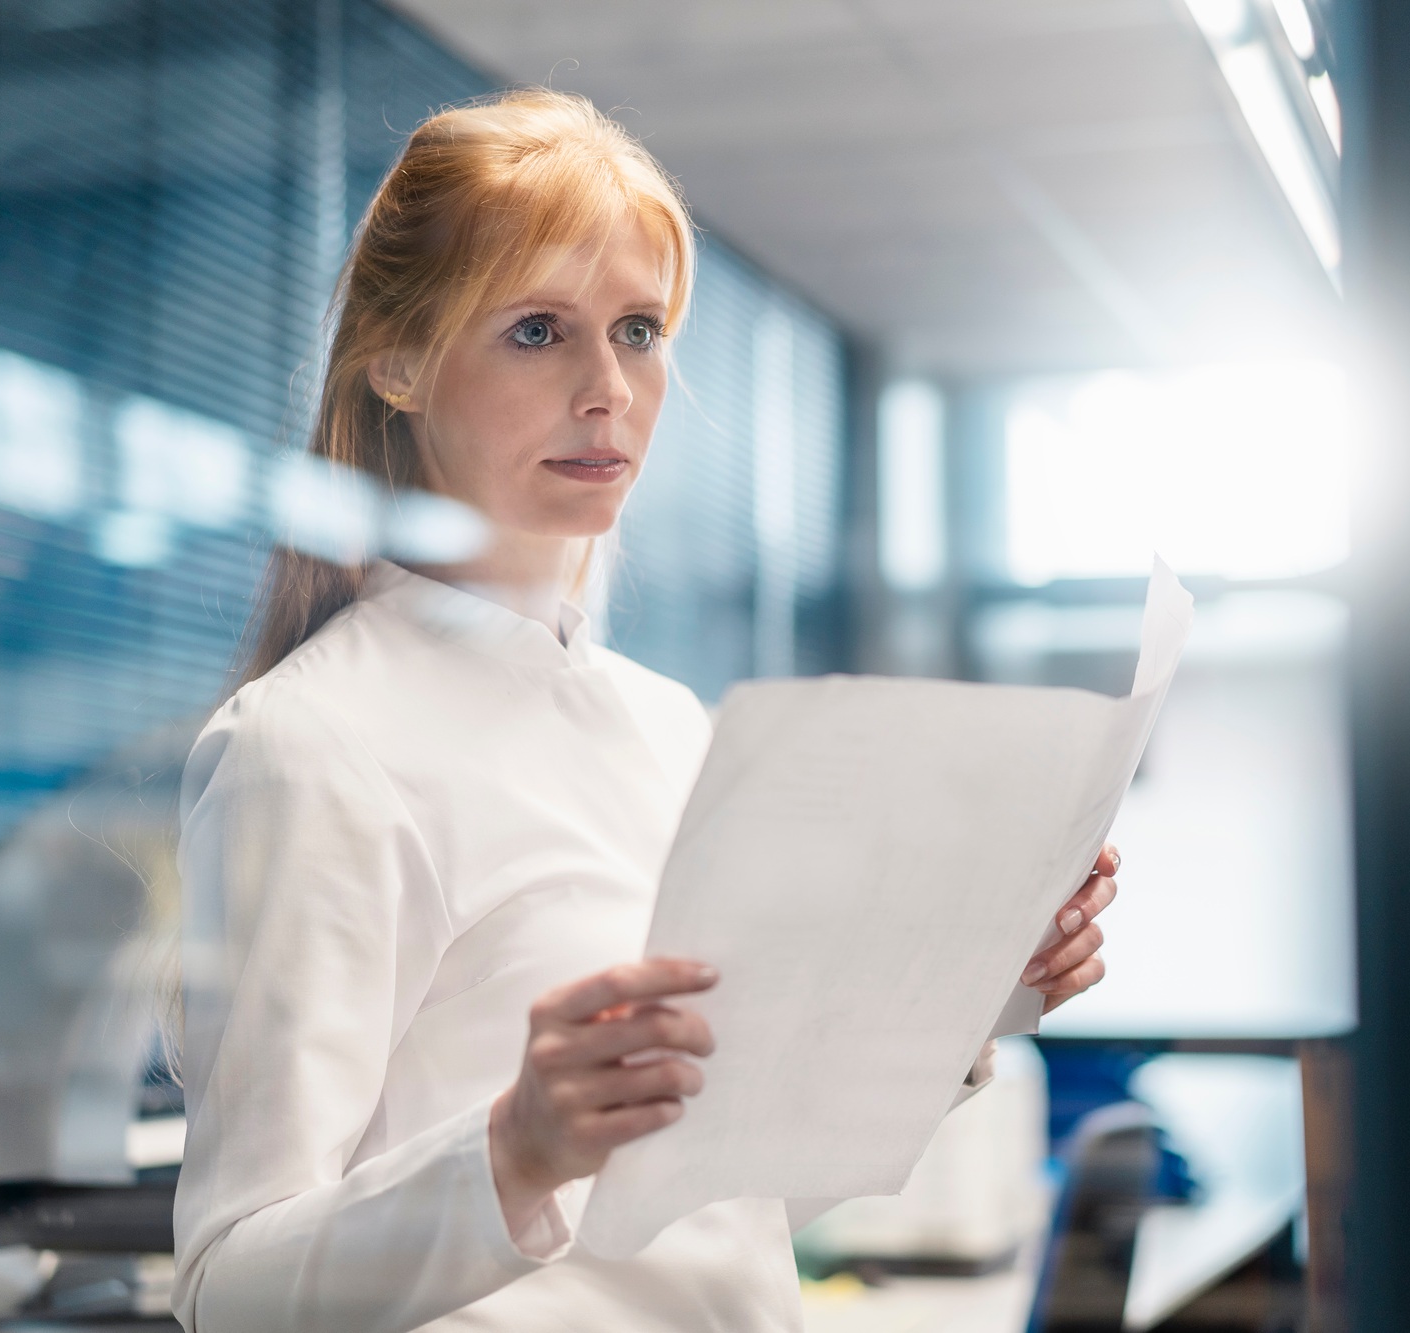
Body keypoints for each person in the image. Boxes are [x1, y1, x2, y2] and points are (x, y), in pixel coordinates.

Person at [171, 88, 1119, 1332]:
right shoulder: (312, 747)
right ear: (395, 360)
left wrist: (960, 997)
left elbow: (733, 1169)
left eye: (636, 329)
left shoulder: (668, 727)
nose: (606, 387)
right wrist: (515, 1150)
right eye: (535, 332)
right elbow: (229, 1289)